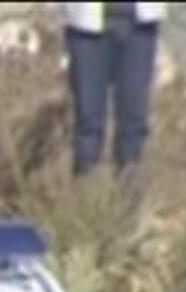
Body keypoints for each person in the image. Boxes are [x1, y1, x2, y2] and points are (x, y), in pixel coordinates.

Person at [63, 2, 165, 177]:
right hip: (87, 30)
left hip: (138, 28)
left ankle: (128, 196)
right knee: (88, 122)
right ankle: (85, 194)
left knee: (133, 120)